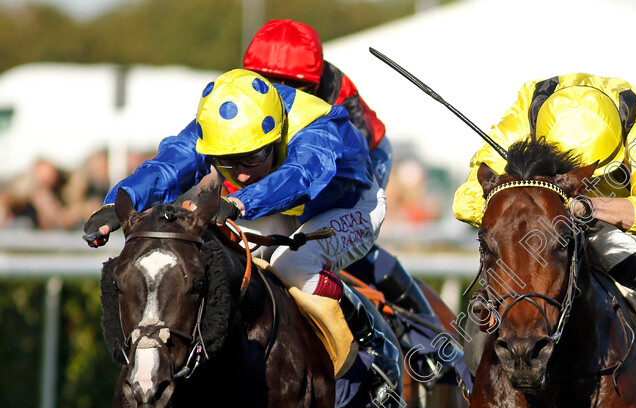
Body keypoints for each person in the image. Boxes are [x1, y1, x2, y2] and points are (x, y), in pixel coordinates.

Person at [83, 68, 399, 386]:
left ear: (276, 136)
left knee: (292, 264)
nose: (242, 175)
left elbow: (301, 175)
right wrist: (117, 202)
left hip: (352, 205)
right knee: (224, 253)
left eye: (252, 158)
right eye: (229, 163)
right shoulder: (216, 126)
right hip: (284, 205)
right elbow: (169, 165)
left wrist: (240, 202)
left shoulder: (318, 125)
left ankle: (368, 331)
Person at [452, 73, 636, 396]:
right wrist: (535, 201)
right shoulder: (531, 107)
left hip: (610, 216)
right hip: (543, 218)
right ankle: (471, 370)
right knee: (513, 256)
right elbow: (466, 200)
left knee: (613, 254)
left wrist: (590, 205)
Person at [244, 20, 459, 378]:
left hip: (363, 161)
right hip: (303, 170)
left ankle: (431, 341)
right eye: (269, 83)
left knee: (338, 238)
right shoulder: (241, 92)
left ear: (315, 81)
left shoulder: (338, 90)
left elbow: (341, 170)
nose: (282, 93)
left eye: (295, 85)